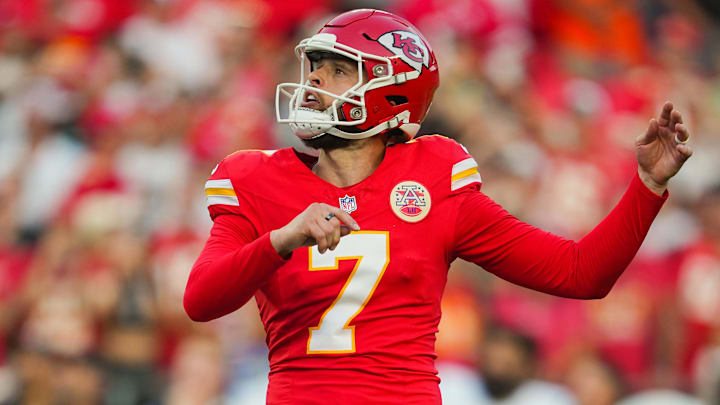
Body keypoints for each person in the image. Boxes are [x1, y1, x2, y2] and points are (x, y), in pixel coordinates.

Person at [183, 8, 692, 405]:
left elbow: (581, 273)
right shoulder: (255, 178)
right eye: (315, 67)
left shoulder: (434, 176)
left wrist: (646, 185)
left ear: (392, 92)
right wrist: (280, 240)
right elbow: (201, 300)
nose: (314, 81)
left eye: (339, 70)